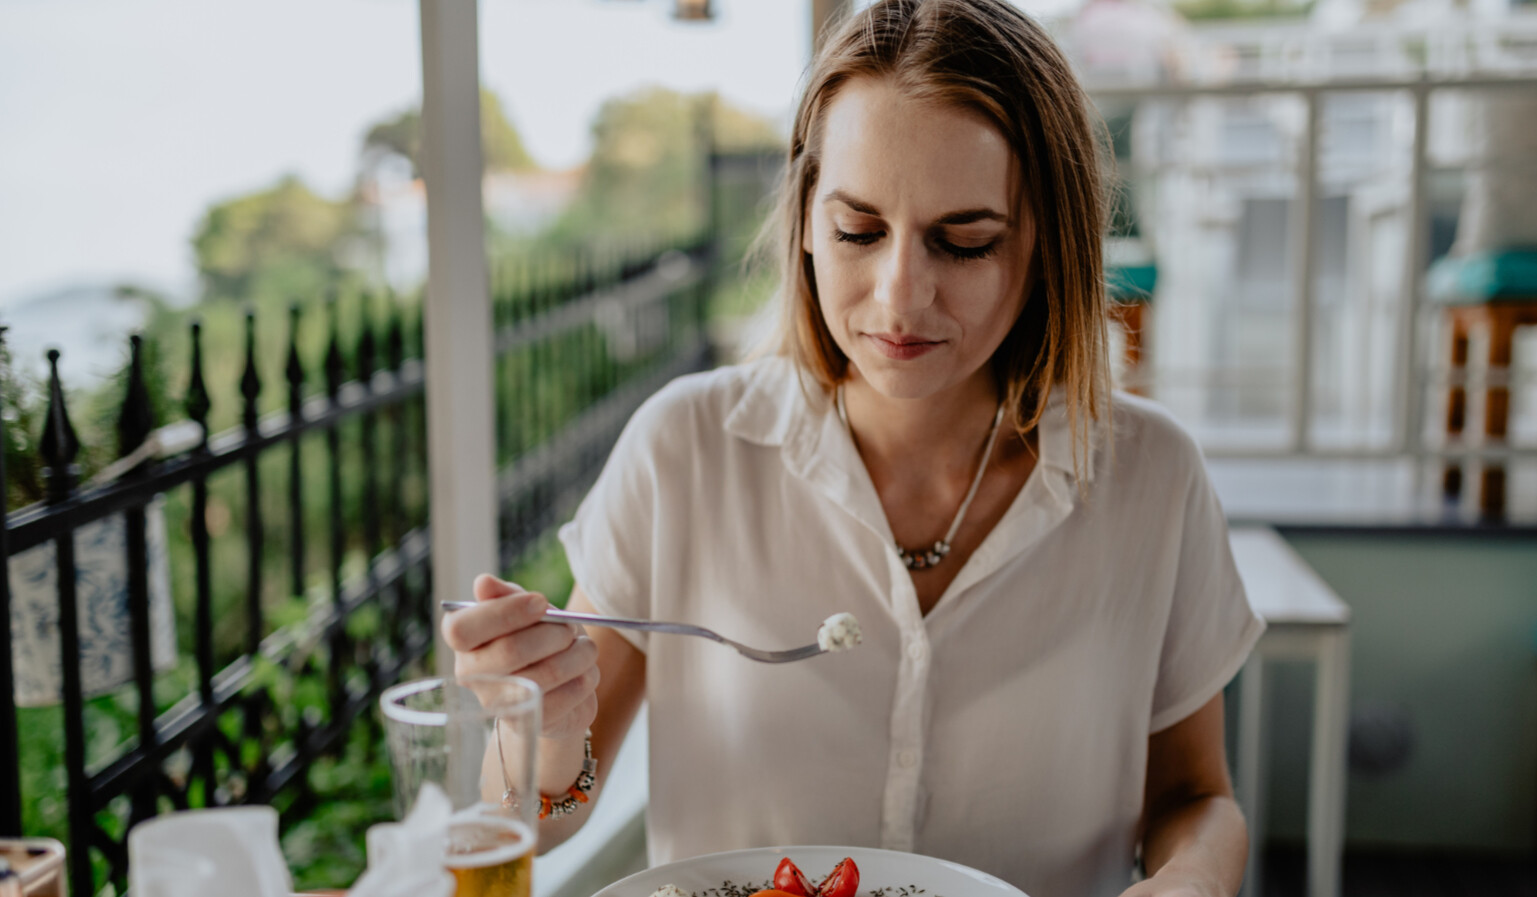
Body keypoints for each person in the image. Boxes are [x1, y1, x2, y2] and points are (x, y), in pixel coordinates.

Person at [442, 1, 1264, 895]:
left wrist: (1196, 878)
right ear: (803, 220)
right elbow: (537, 815)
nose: (900, 297)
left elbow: (1193, 794)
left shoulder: (1152, 477)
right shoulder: (684, 451)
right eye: (858, 232)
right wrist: (547, 730)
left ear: (1045, 246)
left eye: (965, 241)